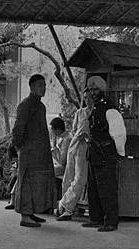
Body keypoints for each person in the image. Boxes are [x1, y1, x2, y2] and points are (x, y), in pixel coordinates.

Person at [81, 76, 126, 232]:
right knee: (94, 189)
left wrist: (119, 152)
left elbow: (119, 133)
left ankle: (111, 222)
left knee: (107, 189)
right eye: (90, 89)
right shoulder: (96, 107)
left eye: (95, 89)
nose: (92, 93)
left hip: (106, 155)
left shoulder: (109, 108)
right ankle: (96, 219)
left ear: (102, 90)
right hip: (94, 154)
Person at [12, 74, 56, 228]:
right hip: (28, 151)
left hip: (40, 152)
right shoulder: (25, 105)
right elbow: (18, 129)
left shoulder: (40, 106)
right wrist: (19, 147)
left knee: (37, 183)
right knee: (26, 183)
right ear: (31, 87)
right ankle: (25, 216)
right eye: (39, 85)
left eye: (44, 85)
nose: (43, 88)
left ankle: (30, 212)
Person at [56, 87, 92, 221]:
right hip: (74, 146)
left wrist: (87, 137)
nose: (87, 100)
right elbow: (75, 130)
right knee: (68, 177)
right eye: (85, 97)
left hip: (85, 148)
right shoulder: (79, 112)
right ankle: (65, 208)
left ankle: (65, 204)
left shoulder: (95, 113)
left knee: (80, 179)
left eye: (89, 97)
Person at [49, 117, 71, 201]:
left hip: (66, 168)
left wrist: (54, 150)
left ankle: (53, 198)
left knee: (47, 172)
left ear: (57, 129)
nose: (52, 133)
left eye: (53, 130)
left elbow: (63, 160)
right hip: (64, 166)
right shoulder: (64, 137)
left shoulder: (67, 139)